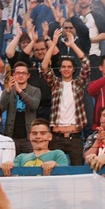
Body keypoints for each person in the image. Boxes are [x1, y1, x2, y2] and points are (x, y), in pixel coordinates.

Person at [42, 29, 90, 166]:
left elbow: (86, 64)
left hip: (75, 136)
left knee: (77, 173)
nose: (66, 69)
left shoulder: (79, 83)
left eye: (69, 67)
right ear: (60, 69)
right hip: (56, 136)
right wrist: (53, 44)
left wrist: (72, 44)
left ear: (74, 69)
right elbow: (45, 67)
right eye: (63, 67)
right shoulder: (56, 83)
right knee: (54, 173)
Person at [1, 118, 69, 176]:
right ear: (30, 136)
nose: (38, 136)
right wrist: (7, 166)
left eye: (43, 133)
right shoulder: (21, 158)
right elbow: (13, 177)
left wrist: (55, 165)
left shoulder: (57, 154)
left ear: (50, 136)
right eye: (34, 133)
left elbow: (65, 177)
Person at [0, 62, 41, 155]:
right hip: (11, 137)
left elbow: (34, 105)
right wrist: (8, 91)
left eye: (24, 73)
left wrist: (20, 91)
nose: (21, 75)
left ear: (28, 76)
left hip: (29, 137)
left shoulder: (35, 90)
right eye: (18, 73)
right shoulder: (7, 91)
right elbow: (0, 109)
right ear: (13, 75)